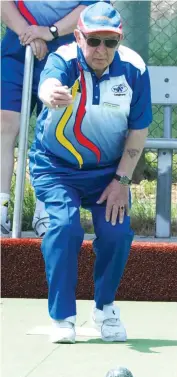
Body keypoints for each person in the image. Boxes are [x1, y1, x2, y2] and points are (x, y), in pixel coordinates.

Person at [29, 2, 152, 344]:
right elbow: (48, 82)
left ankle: (105, 308)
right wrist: (50, 92)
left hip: (108, 173)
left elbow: (138, 130)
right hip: (56, 167)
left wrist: (122, 181)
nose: (101, 50)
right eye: (93, 40)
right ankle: (63, 317)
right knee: (64, 227)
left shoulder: (134, 69)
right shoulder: (64, 59)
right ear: (79, 36)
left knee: (117, 234)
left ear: (120, 41)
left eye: (110, 42)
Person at [0, 0, 106, 237]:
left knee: (56, 127)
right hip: (19, 43)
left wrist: (49, 32)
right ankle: (1, 208)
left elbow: (93, 7)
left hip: (65, 48)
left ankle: (46, 209)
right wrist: (29, 34)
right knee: (4, 122)